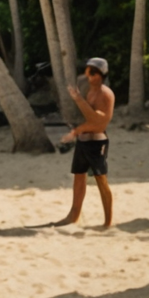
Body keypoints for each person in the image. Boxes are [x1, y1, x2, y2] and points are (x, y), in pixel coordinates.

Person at [55, 57, 115, 228]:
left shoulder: (106, 94)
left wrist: (78, 102)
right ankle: (73, 216)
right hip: (83, 142)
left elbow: (98, 122)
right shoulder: (88, 90)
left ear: (102, 75)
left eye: (93, 72)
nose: (88, 75)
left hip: (97, 142)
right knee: (79, 178)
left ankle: (108, 222)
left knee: (101, 180)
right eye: (88, 71)